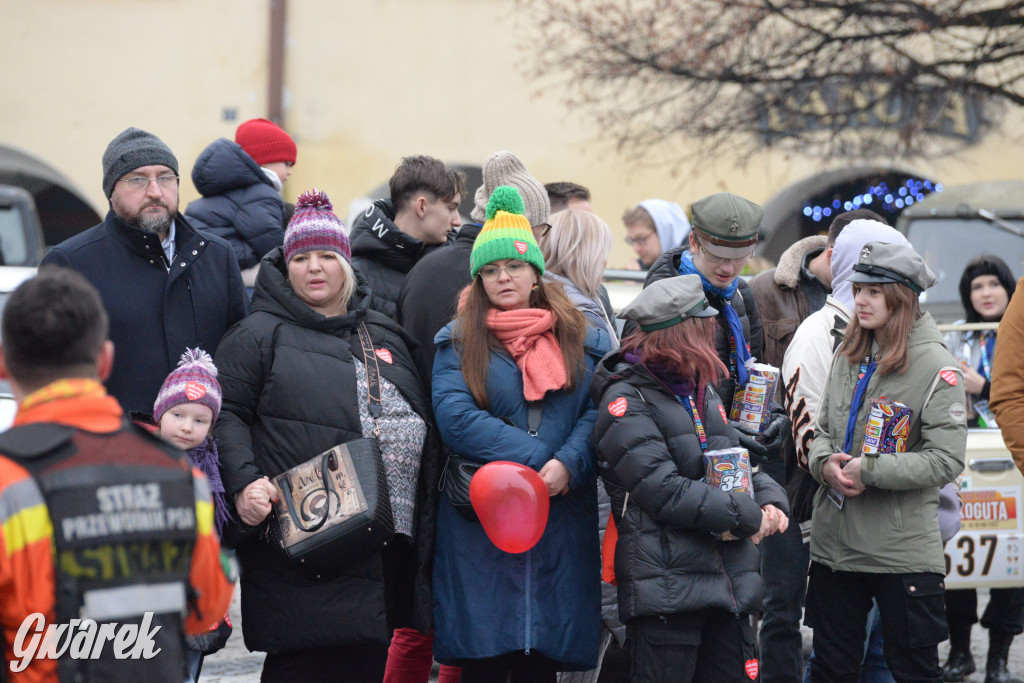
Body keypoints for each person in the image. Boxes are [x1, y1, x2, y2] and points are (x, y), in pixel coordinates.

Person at [213, 190, 441, 682]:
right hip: (304, 547)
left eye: (327, 256)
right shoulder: (257, 335)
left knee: (364, 662)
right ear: (285, 265)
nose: (314, 268)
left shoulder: (383, 332)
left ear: (346, 263)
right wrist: (245, 483)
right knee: (306, 663)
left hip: (382, 552)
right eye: (301, 257)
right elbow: (224, 413)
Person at [0, 267, 234, 681]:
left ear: (4, 365)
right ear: (105, 360)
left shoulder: (9, 478)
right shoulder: (181, 475)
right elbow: (207, 612)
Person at [431, 186, 612, 681]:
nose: (502, 277)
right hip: (483, 517)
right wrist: (538, 462)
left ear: (536, 271)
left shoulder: (582, 337)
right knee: (487, 655)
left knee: (541, 657)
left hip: (560, 513)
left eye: (512, 266)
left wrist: (568, 464)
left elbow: (599, 412)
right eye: (489, 271)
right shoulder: (458, 341)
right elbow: (456, 417)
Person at [591, 274, 789, 682]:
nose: (713, 331)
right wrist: (749, 516)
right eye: (705, 324)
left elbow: (736, 458)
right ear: (683, 334)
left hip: (726, 586)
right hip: (668, 593)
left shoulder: (700, 390)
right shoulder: (626, 401)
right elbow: (664, 491)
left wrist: (770, 498)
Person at [804, 241, 967, 682]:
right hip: (835, 547)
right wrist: (825, 464)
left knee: (913, 670)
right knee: (830, 669)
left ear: (903, 297)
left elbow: (946, 460)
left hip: (901, 553)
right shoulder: (848, 351)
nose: (860, 299)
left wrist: (868, 470)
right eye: (858, 289)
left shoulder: (936, 365)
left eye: (874, 292)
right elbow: (821, 432)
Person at [748, 208, 875, 683]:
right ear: (833, 249)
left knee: (845, 605)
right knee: (780, 604)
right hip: (785, 475)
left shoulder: (875, 297)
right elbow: (750, 376)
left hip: (847, 476)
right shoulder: (765, 291)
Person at [40, 127, 248, 415]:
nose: (154, 191)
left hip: (206, 452)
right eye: (137, 180)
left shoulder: (217, 256)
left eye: (165, 178)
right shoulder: (71, 263)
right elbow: (51, 376)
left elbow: (240, 368)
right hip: (115, 450)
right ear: (111, 192)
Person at [643, 192, 788, 464]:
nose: (728, 267)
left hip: (733, 457)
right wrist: (719, 430)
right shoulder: (662, 295)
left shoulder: (741, 295)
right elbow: (648, 396)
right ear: (693, 243)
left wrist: (774, 413)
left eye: (740, 256)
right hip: (680, 460)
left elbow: (752, 371)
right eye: (717, 255)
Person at [397, 150, 551, 385]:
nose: (502, 277)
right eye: (542, 228)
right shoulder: (503, 281)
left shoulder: (423, 266)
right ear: (520, 226)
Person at [941, 255, 1021, 683]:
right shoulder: (956, 339)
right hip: (967, 452)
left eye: (994, 283)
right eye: (977, 286)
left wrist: (985, 387)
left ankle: (999, 659)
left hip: (1013, 454)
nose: (986, 293)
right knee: (960, 554)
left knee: (1013, 559)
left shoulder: (1019, 334)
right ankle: (959, 652)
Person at [152, 348, 234, 683]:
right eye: (178, 415)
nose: (187, 427)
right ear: (160, 414)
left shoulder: (212, 468)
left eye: (200, 420)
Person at [350, 155, 466, 319]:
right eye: (451, 208)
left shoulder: (455, 266)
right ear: (422, 207)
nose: (457, 221)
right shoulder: (354, 278)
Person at [538, 208, 618, 344]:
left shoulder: (539, 294)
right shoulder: (579, 315)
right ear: (586, 258)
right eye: (601, 254)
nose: (605, 262)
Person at [622, 199, 690, 270]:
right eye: (632, 240)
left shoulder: (692, 267)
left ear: (664, 233)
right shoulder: (647, 265)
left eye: (641, 239)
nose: (636, 249)